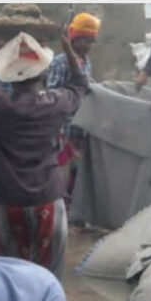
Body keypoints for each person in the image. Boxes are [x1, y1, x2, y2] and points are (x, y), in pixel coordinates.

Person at [0, 4, 88, 276]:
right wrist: (66, 45)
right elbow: (80, 83)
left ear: (7, 73)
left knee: (6, 277)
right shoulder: (55, 103)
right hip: (49, 201)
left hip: (7, 203)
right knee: (48, 278)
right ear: (43, 72)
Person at [46, 12, 99, 212]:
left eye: (91, 41)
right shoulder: (60, 62)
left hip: (81, 127)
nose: (88, 45)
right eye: (85, 40)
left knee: (77, 172)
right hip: (64, 128)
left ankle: (74, 212)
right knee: (62, 171)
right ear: (74, 38)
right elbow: (53, 94)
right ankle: (62, 212)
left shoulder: (86, 61)